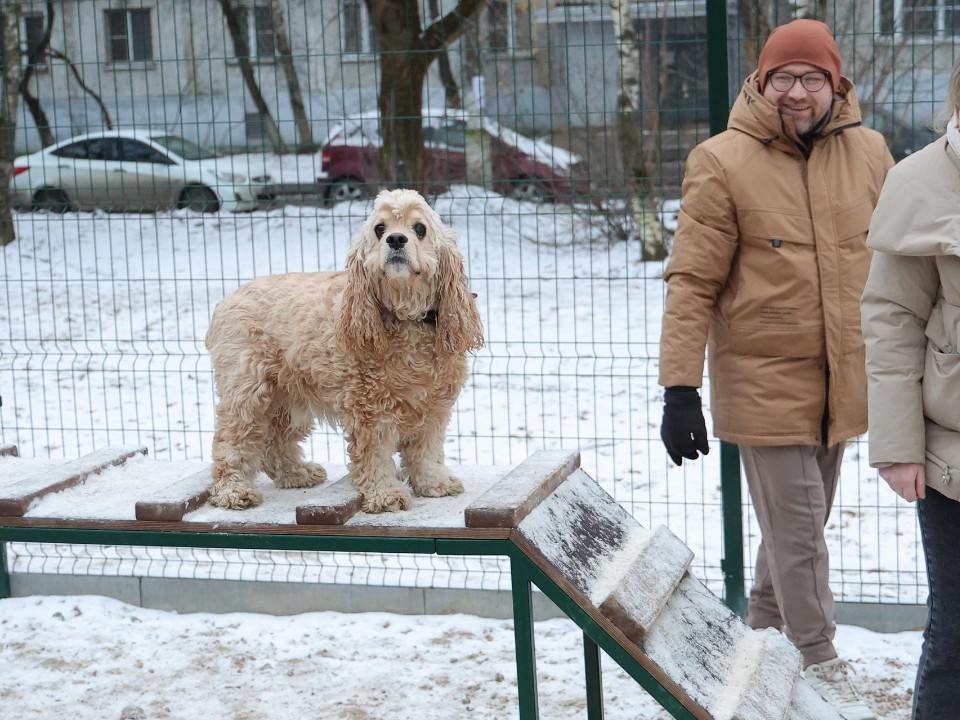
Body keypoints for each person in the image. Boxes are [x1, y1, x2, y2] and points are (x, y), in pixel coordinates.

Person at [657, 19, 893, 720]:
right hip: (764, 380)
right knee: (799, 533)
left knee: (789, 534)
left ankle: (756, 640)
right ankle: (819, 661)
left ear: (835, 83)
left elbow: (897, 259)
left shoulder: (872, 153)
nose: (796, 91)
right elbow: (692, 281)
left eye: (811, 77)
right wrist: (679, 388)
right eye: (782, 77)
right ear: (761, 82)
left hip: (843, 380)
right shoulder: (721, 161)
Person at [861, 57, 960, 720]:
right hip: (955, 460)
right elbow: (891, 319)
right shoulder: (921, 179)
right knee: (957, 636)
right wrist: (898, 446)